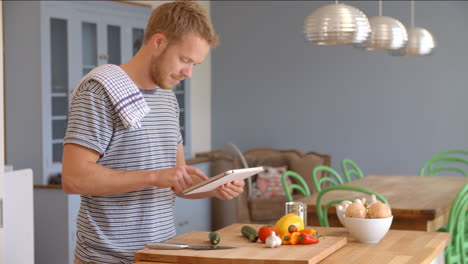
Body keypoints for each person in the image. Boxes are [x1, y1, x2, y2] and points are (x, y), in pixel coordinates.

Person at [61, 2, 245, 264]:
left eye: (195, 64)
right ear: (158, 42)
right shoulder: (98, 91)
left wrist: (214, 187)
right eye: (185, 60)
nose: (189, 73)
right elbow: (74, 178)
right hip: (107, 259)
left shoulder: (168, 100)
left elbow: (176, 181)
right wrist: (154, 176)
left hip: (159, 254)